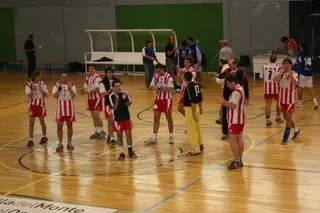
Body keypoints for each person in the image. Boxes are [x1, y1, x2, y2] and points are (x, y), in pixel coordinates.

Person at [217, 75, 245, 169]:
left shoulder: (236, 92)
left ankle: (237, 161)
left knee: (232, 139)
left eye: (229, 84)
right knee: (239, 139)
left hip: (235, 119)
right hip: (240, 118)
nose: (228, 86)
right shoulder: (240, 88)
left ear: (233, 82)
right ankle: (239, 160)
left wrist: (223, 102)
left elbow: (233, 106)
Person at [217, 58, 249, 140]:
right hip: (227, 96)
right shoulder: (227, 72)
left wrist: (246, 97)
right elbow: (220, 76)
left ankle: (237, 131)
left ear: (235, 64)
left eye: (231, 65)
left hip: (238, 97)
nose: (229, 66)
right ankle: (225, 132)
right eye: (229, 65)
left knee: (238, 113)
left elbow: (245, 84)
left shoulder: (241, 73)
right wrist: (228, 74)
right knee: (225, 115)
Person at [145, 64, 174, 144]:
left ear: (162, 69)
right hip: (157, 100)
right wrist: (158, 88)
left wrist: (161, 87)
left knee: (169, 119)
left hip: (167, 100)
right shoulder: (155, 76)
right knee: (156, 118)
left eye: (159, 71)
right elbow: (151, 87)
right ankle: (154, 137)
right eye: (156, 71)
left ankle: (171, 136)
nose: (157, 72)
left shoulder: (169, 77)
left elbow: (170, 89)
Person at [109, 79, 137, 160]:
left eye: (119, 86)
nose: (118, 88)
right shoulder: (111, 96)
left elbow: (129, 104)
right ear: (113, 87)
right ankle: (121, 152)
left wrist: (125, 99)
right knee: (119, 136)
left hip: (126, 117)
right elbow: (114, 107)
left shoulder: (126, 93)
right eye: (116, 86)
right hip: (117, 119)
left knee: (128, 135)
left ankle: (130, 151)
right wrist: (117, 100)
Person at [274, 58, 300, 144]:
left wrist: (289, 74)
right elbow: (275, 79)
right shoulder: (280, 72)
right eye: (284, 63)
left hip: (290, 99)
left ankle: (285, 137)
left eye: (287, 64)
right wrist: (281, 73)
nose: (286, 65)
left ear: (291, 65)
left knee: (288, 118)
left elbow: (296, 83)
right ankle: (296, 130)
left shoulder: (294, 73)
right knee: (286, 117)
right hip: (282, 99)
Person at [52, 71, 77, 152]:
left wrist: (69, 88)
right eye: (62, 77)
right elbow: (54, 96)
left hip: (69, 110)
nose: (64, 78)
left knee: (70, 126)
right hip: (60, 110)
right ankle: (60, 143)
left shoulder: (72, 85)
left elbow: (74, 95)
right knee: (59, 127)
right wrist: (59, 89)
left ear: (67, 77)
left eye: (65, 77)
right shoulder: (56, 85)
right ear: (60, 78)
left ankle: (69, 142)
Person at [25, 71, 48, 148]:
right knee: (31, 123)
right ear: (35, 77)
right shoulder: (28, 84)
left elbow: (46, 94)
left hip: (41, 106)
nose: (40, 77)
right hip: (32, 106)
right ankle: (30, 139)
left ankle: (44, 136)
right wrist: (33, 90)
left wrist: (41, 90)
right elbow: (29, 95)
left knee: (42, 121)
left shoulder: (42, 84)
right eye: (38, 76)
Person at [259, 54, 284, 126]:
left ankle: (267, 120)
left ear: (269, 59)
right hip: (276, 88)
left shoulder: (264, 66)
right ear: (276, 59)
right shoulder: (278, 67)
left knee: (268, 104)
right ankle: (278, 117)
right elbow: (279, 78)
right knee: (278, 103)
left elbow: (261, 76)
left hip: (267, 89)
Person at [183, 71, 204, 155]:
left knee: (191, 129)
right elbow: (200, 97)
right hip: (196, 109)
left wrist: (193, 112)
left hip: (190, 109)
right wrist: (200, 107)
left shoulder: (188, 87)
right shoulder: (196, 85)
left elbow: (192, 100)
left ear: (184, 78)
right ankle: (200, 144)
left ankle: (195, 149)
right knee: (197, 127)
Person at [84, 64, 105, 139]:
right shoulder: (87, 78)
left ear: (95, 69)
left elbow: (97, 88)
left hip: (97, 98)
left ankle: (102, 131)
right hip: (90, 99)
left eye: (92, 69)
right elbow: (85, 87)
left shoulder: (97, 77)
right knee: (93, 117)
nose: (90, 70)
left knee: (96, 116)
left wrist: (88, 91)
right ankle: (97, 131)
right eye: (89, 69)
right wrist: (85, 90)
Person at [100, 67, 119, 147]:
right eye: (108, 73)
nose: (110, 74)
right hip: (108, 104)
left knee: (116, 121)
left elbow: (120, 90)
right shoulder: (103, 82)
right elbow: (103, 94)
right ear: (106, 74)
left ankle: (111, 136)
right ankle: (111, 138)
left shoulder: (117, 81)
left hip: (117, 104)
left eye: (111, 72)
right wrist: (110, 91)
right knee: (110, 121)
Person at [295, 42, 318, 109]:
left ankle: (299, 103)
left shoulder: (300, 55)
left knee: (300, 88)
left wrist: (295, 67)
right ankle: (315, 102)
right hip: (309, 74)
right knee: (311, 89)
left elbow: (298, 63)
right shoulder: (310, 54)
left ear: (301, 47)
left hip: (303, 74)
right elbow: (313, 60)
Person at [214, 57, 229, 124]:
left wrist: (216, 79)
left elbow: (222, 80)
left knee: (224, 103)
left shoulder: (225, 68)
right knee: (223, 102)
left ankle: (222, 118)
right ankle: (221, 117)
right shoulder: (225, 68)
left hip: (227, 88)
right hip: (226, 87)